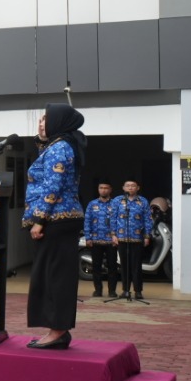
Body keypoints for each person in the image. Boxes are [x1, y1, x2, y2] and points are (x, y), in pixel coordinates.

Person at [24, 103, 87, 348]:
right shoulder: (60, 145)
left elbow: (53, 186)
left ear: (59, 122)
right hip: (60, 219)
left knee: (56, 278)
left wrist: (39, 220)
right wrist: (42, 140)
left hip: (56, 220)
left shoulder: (60, 148)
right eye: (40, 120)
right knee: (52, 276)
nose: (41, 124)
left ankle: (58, 331)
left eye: (45, 119)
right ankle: (57, 330)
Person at [113, 179, 151, 301]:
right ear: (123, 188)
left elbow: (147, 219)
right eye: (128, 186)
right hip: (122, 238)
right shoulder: (118, 200)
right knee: (124, 266)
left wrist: (147, 236)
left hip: (137, 238)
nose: (130, 188)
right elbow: (113, 218)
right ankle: (125, 290)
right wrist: (113, 235)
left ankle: (138, 291)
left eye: (133, 186)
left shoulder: (143, 201)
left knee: (136, 266)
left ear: (138, 188)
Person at [82, 182, 120, 299]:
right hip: (95, 240)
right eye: (101, 188)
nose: (103, 190)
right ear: (98, 189)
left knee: (112, 267)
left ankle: (112, 291)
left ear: (110, 189)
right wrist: (88, 237)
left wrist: (117, 236)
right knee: (96, 266)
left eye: (106, 188)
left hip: (111, 241)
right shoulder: (92, 204)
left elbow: (119, 221)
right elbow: (87, 221)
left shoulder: (115, 204)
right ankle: (98, 290)